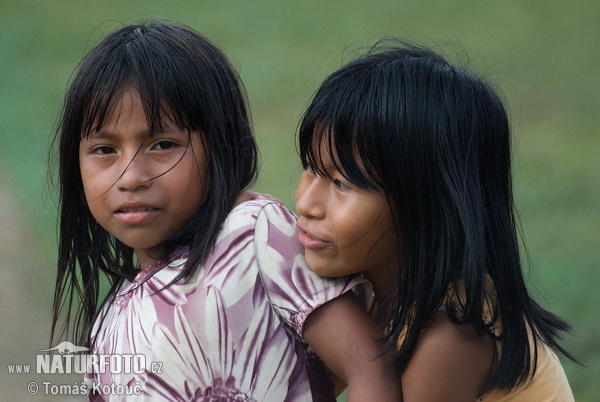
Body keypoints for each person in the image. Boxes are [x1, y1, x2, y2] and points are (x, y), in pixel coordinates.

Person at [50, 21, 400, 401]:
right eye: (104, 150)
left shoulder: (253, 235)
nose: (132, 177)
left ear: (221, 145)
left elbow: (369, 364)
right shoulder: (111, 319)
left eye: (163, 144)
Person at [295, 42, 576, 401]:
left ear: (424, 203)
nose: (306, 203)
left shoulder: (449, 334)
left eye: (341, 183)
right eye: (310, 167)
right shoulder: (375, 294)